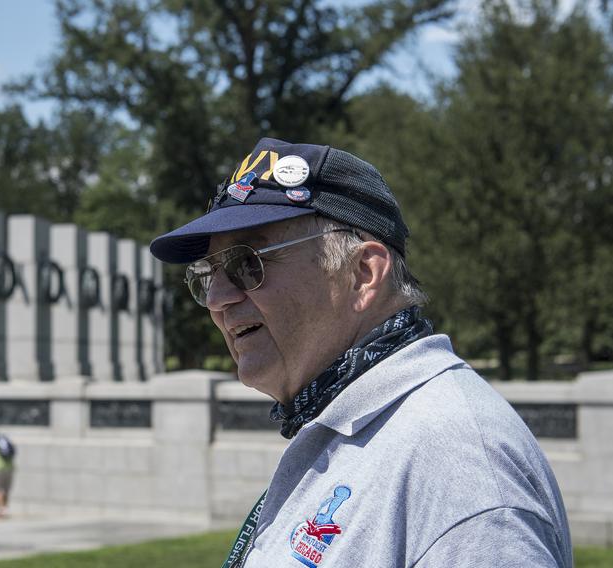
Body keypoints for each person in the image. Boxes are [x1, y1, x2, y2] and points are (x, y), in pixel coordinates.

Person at [150, 138, 572, 567]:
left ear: (362, 273)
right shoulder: (353, 424)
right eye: (209, 273)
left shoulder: (459, 466)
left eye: (246, 263)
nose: (217, 298)